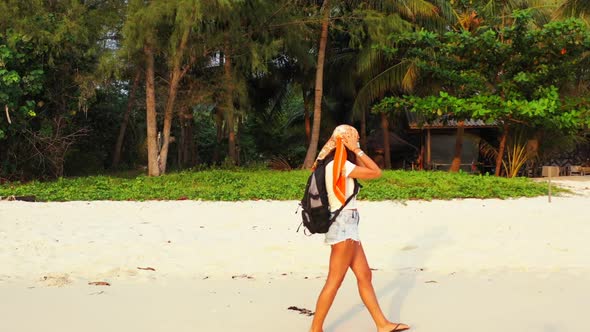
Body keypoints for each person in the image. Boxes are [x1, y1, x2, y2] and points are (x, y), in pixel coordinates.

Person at [310, 125, 410, 332]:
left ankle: (382, 324)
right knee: (334, 281)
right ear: (345, 142)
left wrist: (354, 150)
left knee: (364, 275)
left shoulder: (331, 164)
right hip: (343, 225)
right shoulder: (341, 166)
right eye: (354, 140)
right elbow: (376, 172)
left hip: (348, 225)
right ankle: (315, 329)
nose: (357, 143)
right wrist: (357, 151)